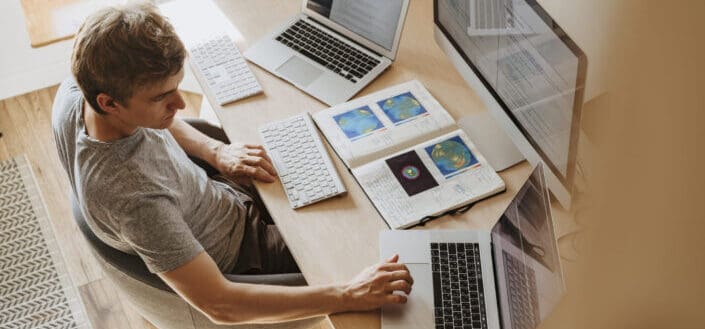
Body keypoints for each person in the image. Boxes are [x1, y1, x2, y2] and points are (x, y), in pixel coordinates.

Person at [52, 2, 412, 325]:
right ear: (109, 102)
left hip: (219, 198)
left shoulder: (79, 93)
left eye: (178, 87)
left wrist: (215, 152)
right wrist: (347, 294)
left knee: (338, 163)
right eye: (163, 97)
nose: (179, 104)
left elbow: (161, 121)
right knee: (378, 247)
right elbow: (220, 304)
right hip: (245, 256)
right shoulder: (134, 199)